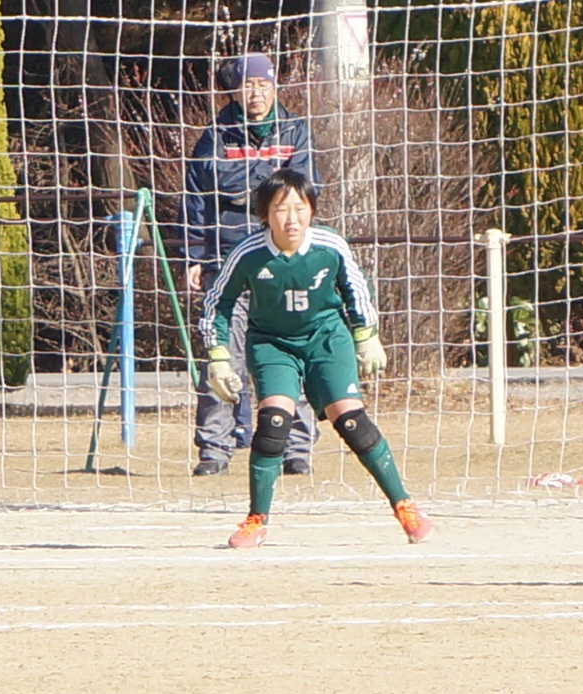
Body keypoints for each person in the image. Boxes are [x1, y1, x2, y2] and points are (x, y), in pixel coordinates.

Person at [199, 168, 432, 548]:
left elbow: (356, 288)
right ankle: (256, 520)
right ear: (264, 214)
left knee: (352, 421)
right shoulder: (248, 253)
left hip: (326, 339)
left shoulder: (329, 246)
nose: (291, 219)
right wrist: (218, 356)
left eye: (300, 208)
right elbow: (217, 303)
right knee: (274, 421)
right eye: (280, 209)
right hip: (272, 343)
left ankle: (405, 506)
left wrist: (367, 335)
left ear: (312, 210)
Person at [184, 51, 317, 477]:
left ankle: (297, 448)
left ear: (274, 85)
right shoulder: (215, 135)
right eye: (246, 86)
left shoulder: (296, 129)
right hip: (226, 260)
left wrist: (249, 189)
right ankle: (214, 450)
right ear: (234, 91)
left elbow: (301, 191)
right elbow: (202, 192)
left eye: (262, 84)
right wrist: (195, 256)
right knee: (222, 356)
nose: (255, 93)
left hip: (283, 262)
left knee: (291, 353)